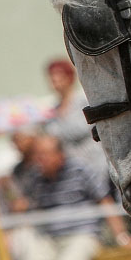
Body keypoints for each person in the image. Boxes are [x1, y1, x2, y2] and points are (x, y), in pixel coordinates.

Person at [43, 59, 111, 189]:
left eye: (58, 74)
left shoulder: (83, 101)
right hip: (71, 173)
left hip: (94, 164)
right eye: (51, 76)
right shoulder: (53, 110)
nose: (54, 79)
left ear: (69, 77)